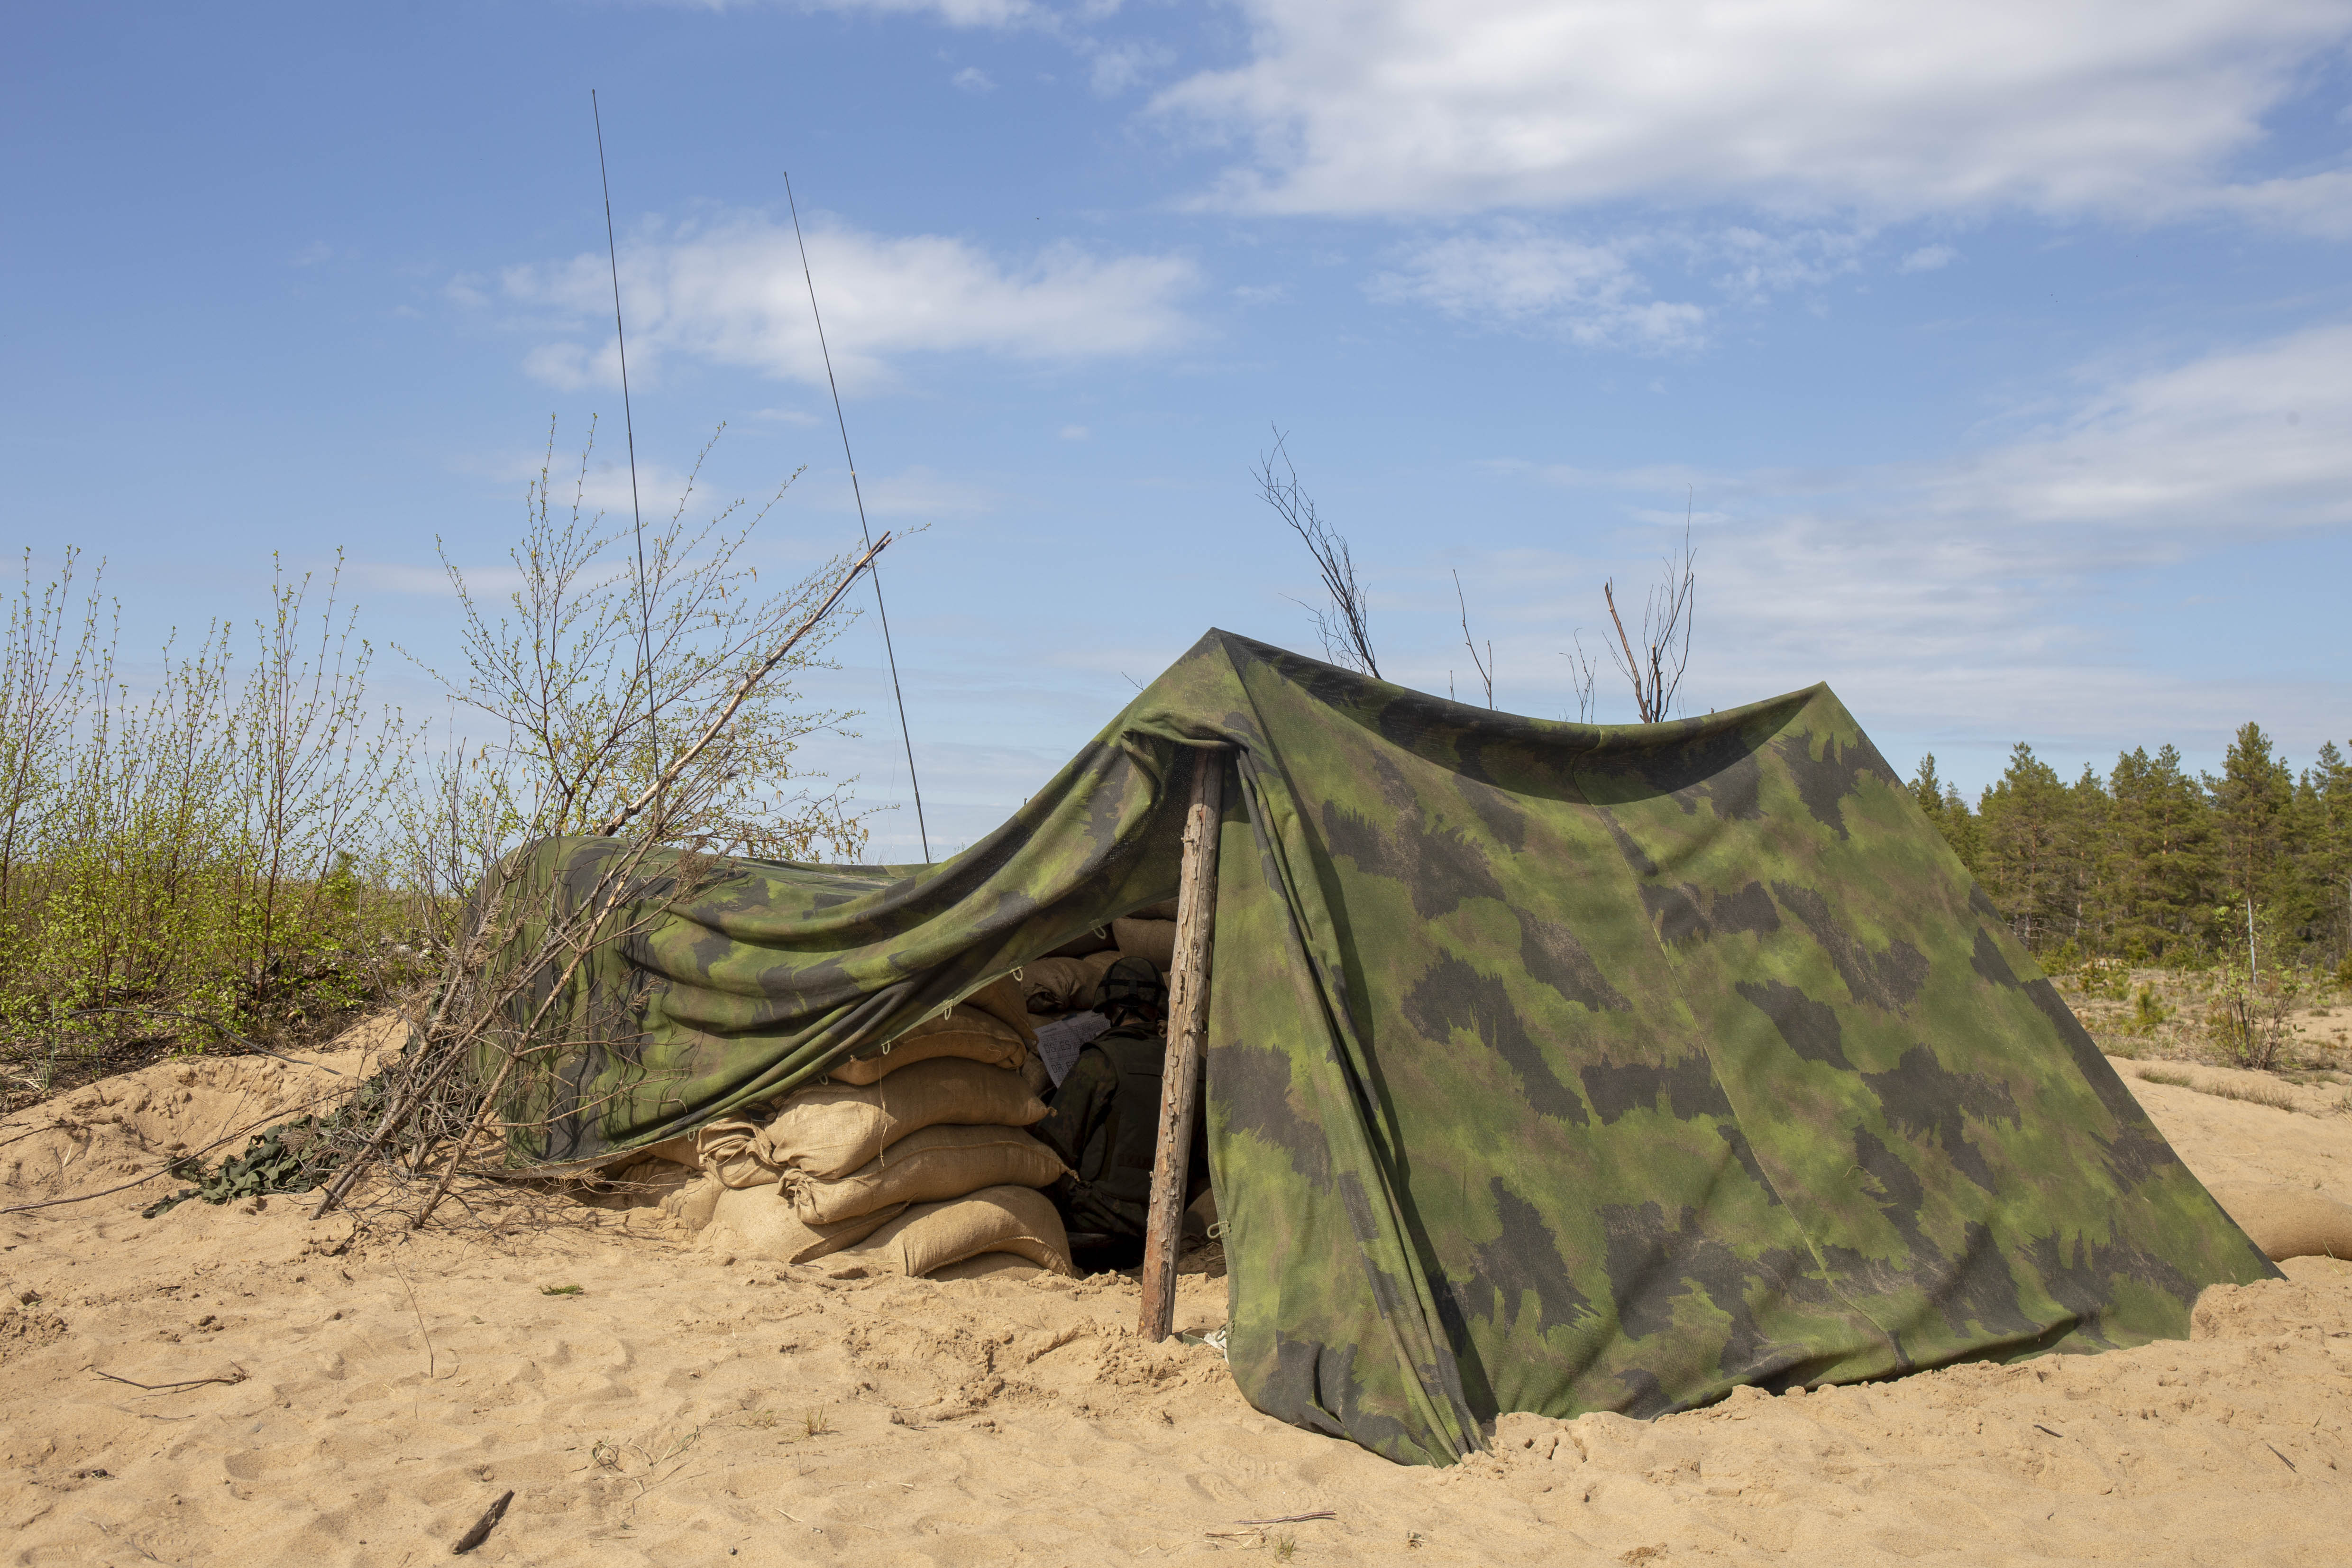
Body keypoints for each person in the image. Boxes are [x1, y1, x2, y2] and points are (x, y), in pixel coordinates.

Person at [1032, 956, 1206, 1241]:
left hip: (1098, 1221)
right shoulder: (1195, 1067)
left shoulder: (1099, 1061)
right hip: (1170, 1221)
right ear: (1158, 1006)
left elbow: (1053, 1147)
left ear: (1109, 1006)